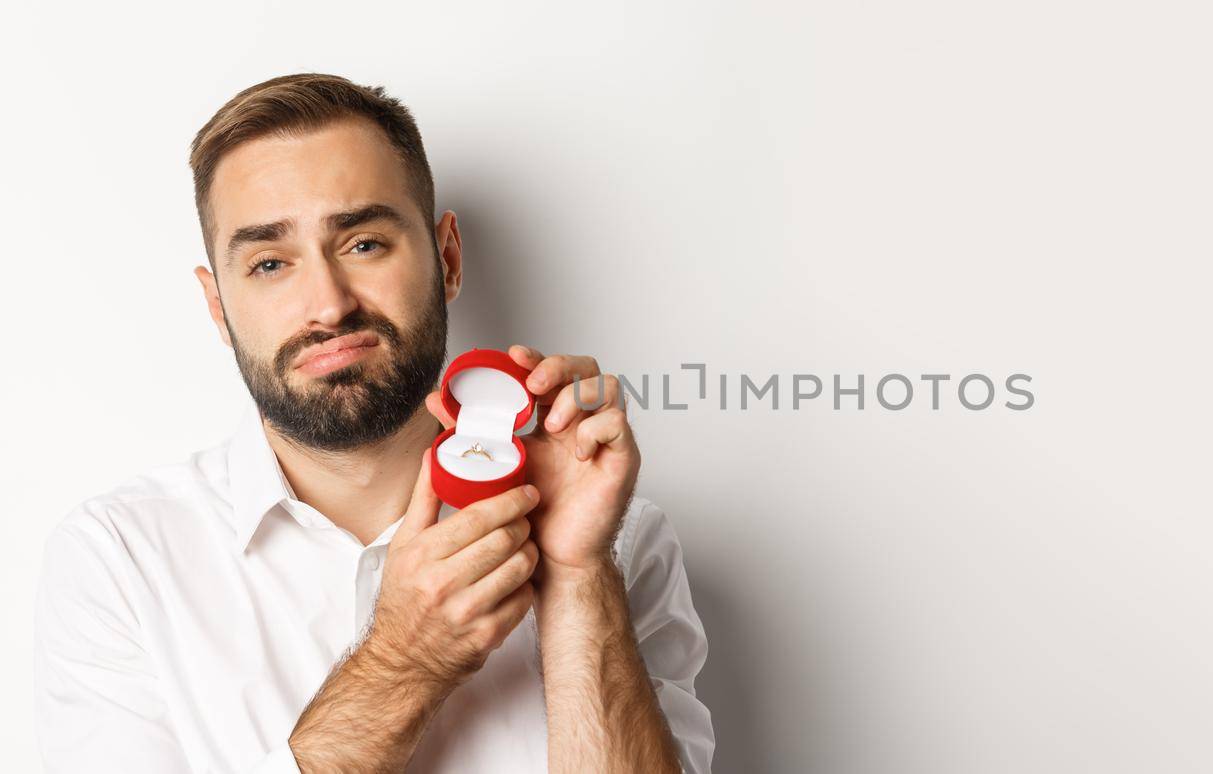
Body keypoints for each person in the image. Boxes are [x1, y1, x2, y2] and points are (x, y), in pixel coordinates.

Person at [32, 73, 713, 773]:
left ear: (446, 259)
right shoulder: (119, 561)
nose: (327, 305)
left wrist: (576, 576)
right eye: (270, 263)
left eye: (362, 244)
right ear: (218, 307)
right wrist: (404, 662)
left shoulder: (615, 539)